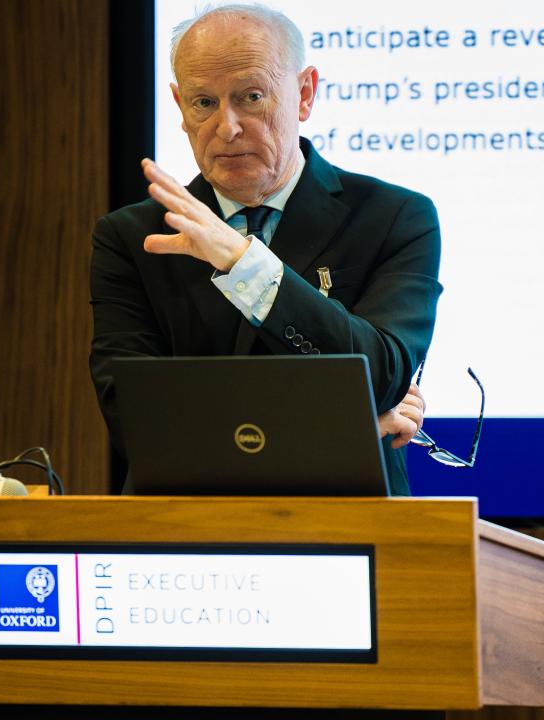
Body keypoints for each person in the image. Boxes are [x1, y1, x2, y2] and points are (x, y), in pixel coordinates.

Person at [90, 4, 441, 495]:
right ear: (179, 106)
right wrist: (354, 423)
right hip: (183, 529)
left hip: (350, 523)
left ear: (304, 94)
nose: (227, 127)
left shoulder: (394, 217)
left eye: (250, 97)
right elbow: (138, 423)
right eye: (203, 103)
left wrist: (241, 261)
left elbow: (380, 374)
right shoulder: (133, 237)